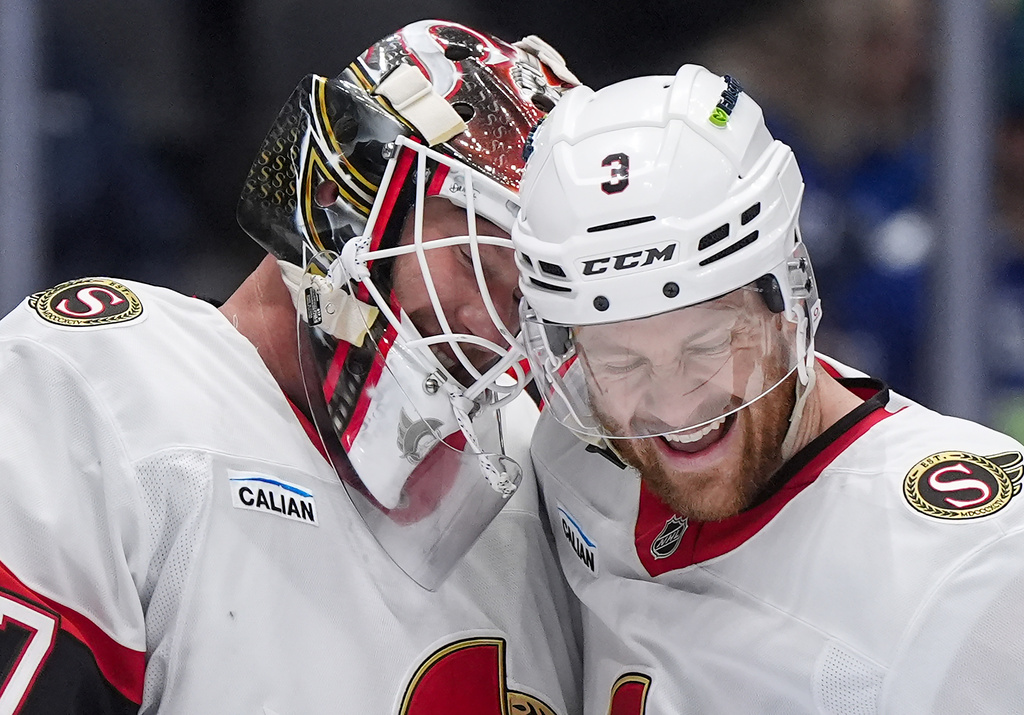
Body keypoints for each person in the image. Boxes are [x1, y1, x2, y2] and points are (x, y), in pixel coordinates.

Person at [0, 20, 583, 713]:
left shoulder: (546, 474)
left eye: (527, 305)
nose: (494, 333)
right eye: (475, 266)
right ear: (346, 194)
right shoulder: (102, 386)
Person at [511, 63, 1024, 713]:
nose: (673, 406)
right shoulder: (572, 456)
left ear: (789, 301)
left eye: (707, 345)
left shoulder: (976, 563)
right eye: (622, 363)